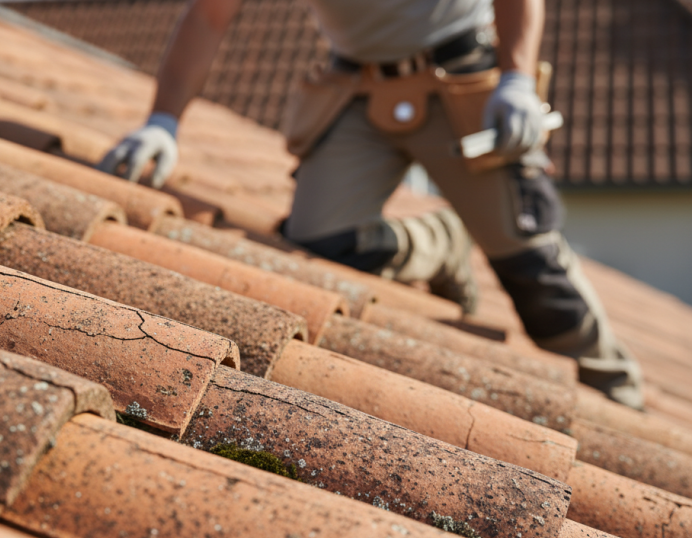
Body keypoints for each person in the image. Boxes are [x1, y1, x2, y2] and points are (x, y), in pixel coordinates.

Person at [97, 0, 644, 409]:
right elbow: (208, 16)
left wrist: (517, 78)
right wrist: (163, 122)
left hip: (461, 76)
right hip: (357, 88)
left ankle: (619, 387)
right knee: (319, 242)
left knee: (532, 268)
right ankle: (444, 240)